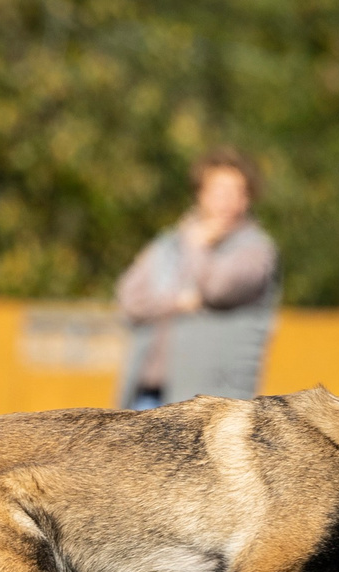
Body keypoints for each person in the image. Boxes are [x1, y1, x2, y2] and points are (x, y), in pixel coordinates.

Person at [115, 147, 280, 408]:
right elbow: (129, 300)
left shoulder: (255, 250)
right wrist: (178, 303)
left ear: (247, 198)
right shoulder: (168, 245)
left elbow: (217, 288)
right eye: (217, 190)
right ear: (200, 194)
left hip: (213, 402)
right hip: (148, 392)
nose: (225, 201)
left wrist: (198, 247)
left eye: (234, 192)